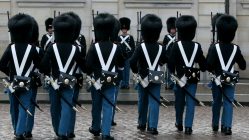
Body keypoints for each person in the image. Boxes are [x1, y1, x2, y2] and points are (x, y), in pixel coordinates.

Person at [40, 14, 85, 140]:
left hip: (55, 82)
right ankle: (63, 132)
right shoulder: (75, 49)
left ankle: (58, 130)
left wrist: (48, 72)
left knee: (55, 107)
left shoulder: (52, 47)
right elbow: (84, 67)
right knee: (67, 107)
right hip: (69, 82)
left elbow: (43, 66)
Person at [0, 13, 41, 140]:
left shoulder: (10, 48)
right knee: (24, 107)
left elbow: (1, 65)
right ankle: (20, 131)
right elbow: (41, 66)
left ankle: (16, 129)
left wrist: (10, 73)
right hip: (27, 82)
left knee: (14, 107)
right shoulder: (32, 48)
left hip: (13, 82)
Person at [86, 13, 124, 140]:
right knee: (108, 106)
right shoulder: (116, 47)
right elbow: (121, 65)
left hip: (96, 81)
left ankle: (96, 128)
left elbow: (88, 66)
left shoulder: (93, 47)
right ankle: (106, 133)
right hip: (111, 81)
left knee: (96, 105)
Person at [206, 14, 246, 135]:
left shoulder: (215, 47)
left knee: (216, 102)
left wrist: (210, 50)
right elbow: (243, 65)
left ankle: (215, 124)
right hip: (230, 79)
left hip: (217, 79)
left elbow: (208, 66)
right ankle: (227, 126)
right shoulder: (236, 48)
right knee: (228, 102)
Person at [168, 15, 206, 135]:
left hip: (179, 79)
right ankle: (188, 127)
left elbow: (170, 64)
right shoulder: (197, 46)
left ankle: (179, 123)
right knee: (190, 103)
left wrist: (173, 73)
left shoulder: (176, 45)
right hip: (192, 79)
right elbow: (203, 65)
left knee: (179, 103)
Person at [130, 14, 166, 135]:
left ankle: (142, 123)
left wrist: (136, 71)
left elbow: (132, 62)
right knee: (154, 101)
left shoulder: (140, 47)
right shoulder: (161, 47)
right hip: (156, 74)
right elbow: (165, 60)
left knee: (142, 101)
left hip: (143, 76)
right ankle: (153, 126)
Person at [65, 11, 86, 139]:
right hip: (63, 77)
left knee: (72, 103)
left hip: (76, 75)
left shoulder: (80, 41)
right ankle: (64, 128)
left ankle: (70, 129)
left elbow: (82, 59)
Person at [25, 17, 44, 139]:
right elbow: (42, 67)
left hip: (20, 80)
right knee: (31, 104)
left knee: (21, 105)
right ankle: (28, 130)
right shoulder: (39, 50)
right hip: (32, 81)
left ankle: (21, 128)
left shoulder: (15, 48)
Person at [118, 17, 135, 89]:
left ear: (127, 29)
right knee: (121, 70)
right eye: (123, 29)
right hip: (121, 56)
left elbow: (133, 47)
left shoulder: (130, 37)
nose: (124, 30)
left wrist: (128, 55)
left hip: (128, 56)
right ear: (121, 29)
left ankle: (127, 84)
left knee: (127, 71)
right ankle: (122, 83)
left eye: (125, 29)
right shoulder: (118, 37)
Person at [162, 17, 176, 90]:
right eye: (172, 29)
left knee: (174, 71)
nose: (173, 30)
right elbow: (164, 46)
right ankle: (169, 83)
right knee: (168, 71)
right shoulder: (166, 37)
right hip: (168, 56)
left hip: (175, 57)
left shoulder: (177, 37)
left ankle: (173, 83)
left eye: (174, 29)